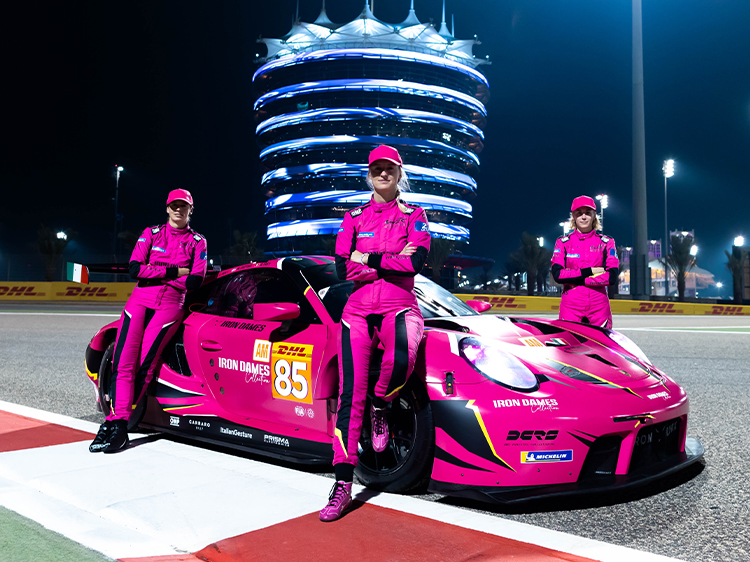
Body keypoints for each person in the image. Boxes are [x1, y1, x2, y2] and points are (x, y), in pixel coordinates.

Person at [319, 145, 431, 522]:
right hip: (357, 310)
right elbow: (341, 269)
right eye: (377, 169)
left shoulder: (415, 214)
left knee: (403, 357)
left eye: (390, 168)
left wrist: (367, 259)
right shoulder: (353, 216)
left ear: (400, 174)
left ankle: (381, 405)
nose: (383, 173)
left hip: (400, 306)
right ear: (369, 174)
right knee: (351, 395)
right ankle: (341, 483)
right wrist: (389, 264)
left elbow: (415, 263)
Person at [89, 189, 208, 453]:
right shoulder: (151, 234)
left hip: (169, 306)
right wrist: (175, 271)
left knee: (144, 363)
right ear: (167, 208)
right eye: (174, 205)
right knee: (122, 363)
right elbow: (134, 269)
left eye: (184, 206)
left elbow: (195, 281)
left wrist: (154, 273)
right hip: (139, 302)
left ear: (191, 210)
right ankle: (114, 421)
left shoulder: (198, 242)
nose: (179, 210)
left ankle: (120, 426)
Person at [551, 195, 619, 328]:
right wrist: (590, 272)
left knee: (601, 347)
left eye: (588, 213)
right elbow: (558, 275)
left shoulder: (606, 242)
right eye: (579, 213)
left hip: (599, 307)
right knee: (570, 348)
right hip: (571, 307)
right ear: (573, 217)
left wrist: (578, 279)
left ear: (594, 216)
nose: (583, 217)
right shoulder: (562, 243)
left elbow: (611, 277)